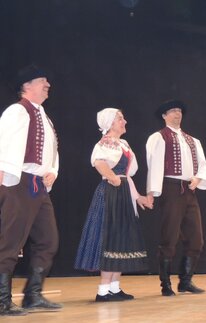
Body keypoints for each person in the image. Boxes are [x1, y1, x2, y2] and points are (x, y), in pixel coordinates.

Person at [0, 65, 63, 316]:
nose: (47, 84)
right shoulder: (17, 110)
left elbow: (53, 151)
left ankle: (33, 295)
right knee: (10, 241)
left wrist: (53, 171)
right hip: (18, 182)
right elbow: (2, 140)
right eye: (41, 80)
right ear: (26, 86)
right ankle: (2, 299)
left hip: (39, 185)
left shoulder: (44, 116)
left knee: (48, 240)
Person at [75, 108, 152, 302]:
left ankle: (114, 287)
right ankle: (103, 290)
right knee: (111, 237)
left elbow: (127, 176)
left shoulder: (122, 144)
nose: (124, 121)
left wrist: (137, 197)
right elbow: (99, 163)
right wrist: (113, 179)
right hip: (111, 193)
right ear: (110, 123)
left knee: (121, 239)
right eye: (120, 118)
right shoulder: (106, 142)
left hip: (123, 192)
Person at [146, 99, 206, 296]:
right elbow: (154, 164)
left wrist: (198, 178)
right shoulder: (158, 137)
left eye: (179, 111)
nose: (177, 113)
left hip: (189, 190)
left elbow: (203, 164)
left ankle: (185, 281)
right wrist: (152, 191)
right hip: (171, 189)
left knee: (196, 239)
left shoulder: (193, 140)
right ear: (164, 116)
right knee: (169, 237)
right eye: (173, 111)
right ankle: (165, 284)